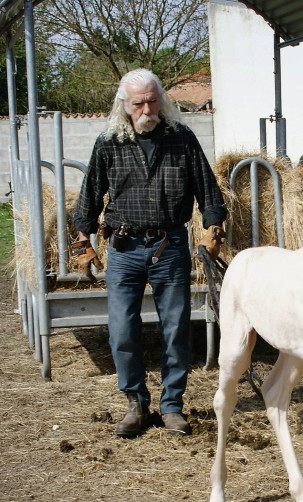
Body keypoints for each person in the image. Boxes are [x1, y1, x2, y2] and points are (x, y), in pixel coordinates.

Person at [71, 68, 227, 438]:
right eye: (138, 103)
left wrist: (212, 229)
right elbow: (89, 198)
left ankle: (172, 405)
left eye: (152, 100)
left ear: (162, 100)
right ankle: (136, 403)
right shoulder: (108, 143)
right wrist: (83, 242)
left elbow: (209, 192)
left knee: (176, 329)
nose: (147, 109)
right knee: (122, 329)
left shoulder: (181, 138)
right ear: (124, 105)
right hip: (123, 249)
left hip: (169, 245)